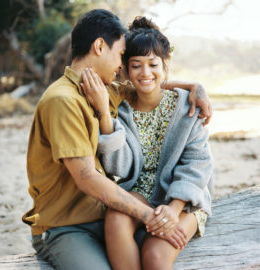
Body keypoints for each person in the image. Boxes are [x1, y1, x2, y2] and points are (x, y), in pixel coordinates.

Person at [23, 9, 212, 270]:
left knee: (146, 252)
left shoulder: (100, 89)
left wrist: (194, 87)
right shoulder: (63, 100)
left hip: (97, 216)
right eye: (122, 55)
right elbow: (88, 177)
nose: (122, 65)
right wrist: (149, 216)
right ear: (100, 46)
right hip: (66, 226)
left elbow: (147, 85)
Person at [82, 17, 213, 270]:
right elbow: (118, 167)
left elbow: (197, 165)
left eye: (153, 64)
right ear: (126, 69)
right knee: (115, 218)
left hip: (185, 199)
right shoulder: (120, 108)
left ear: (165, 65)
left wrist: (174, 210)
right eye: (136, 65)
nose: (145, 73)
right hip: (139, 194)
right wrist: (103, 116)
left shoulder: (187, 106)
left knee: (154, 256)